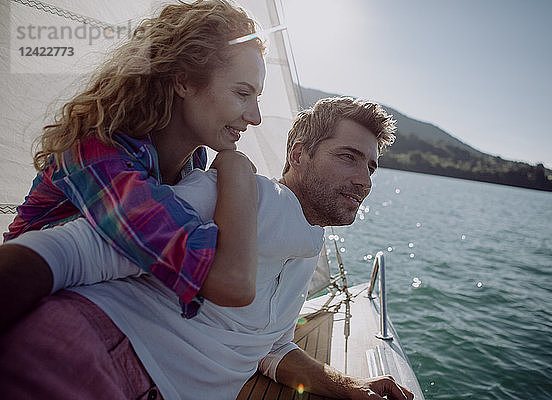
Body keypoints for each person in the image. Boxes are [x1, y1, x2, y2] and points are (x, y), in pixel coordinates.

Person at [0, 97, 413, 400]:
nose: (365, 180)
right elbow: (79, 250)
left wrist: (351, 387)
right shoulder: (241, 193)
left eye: (371, 166)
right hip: (91, 356)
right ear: (299, 155)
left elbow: (270, 348)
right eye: (348, 157)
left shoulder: (308, 242)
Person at [0, 0, 267, 328]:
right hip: (25, 305)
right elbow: (233, 281)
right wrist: (235, 167)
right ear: (183, 81)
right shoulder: (96, 148)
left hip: (103, 303)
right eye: (242, 93)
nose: (255, 117)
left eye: (257, 98)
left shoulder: (192, 160)